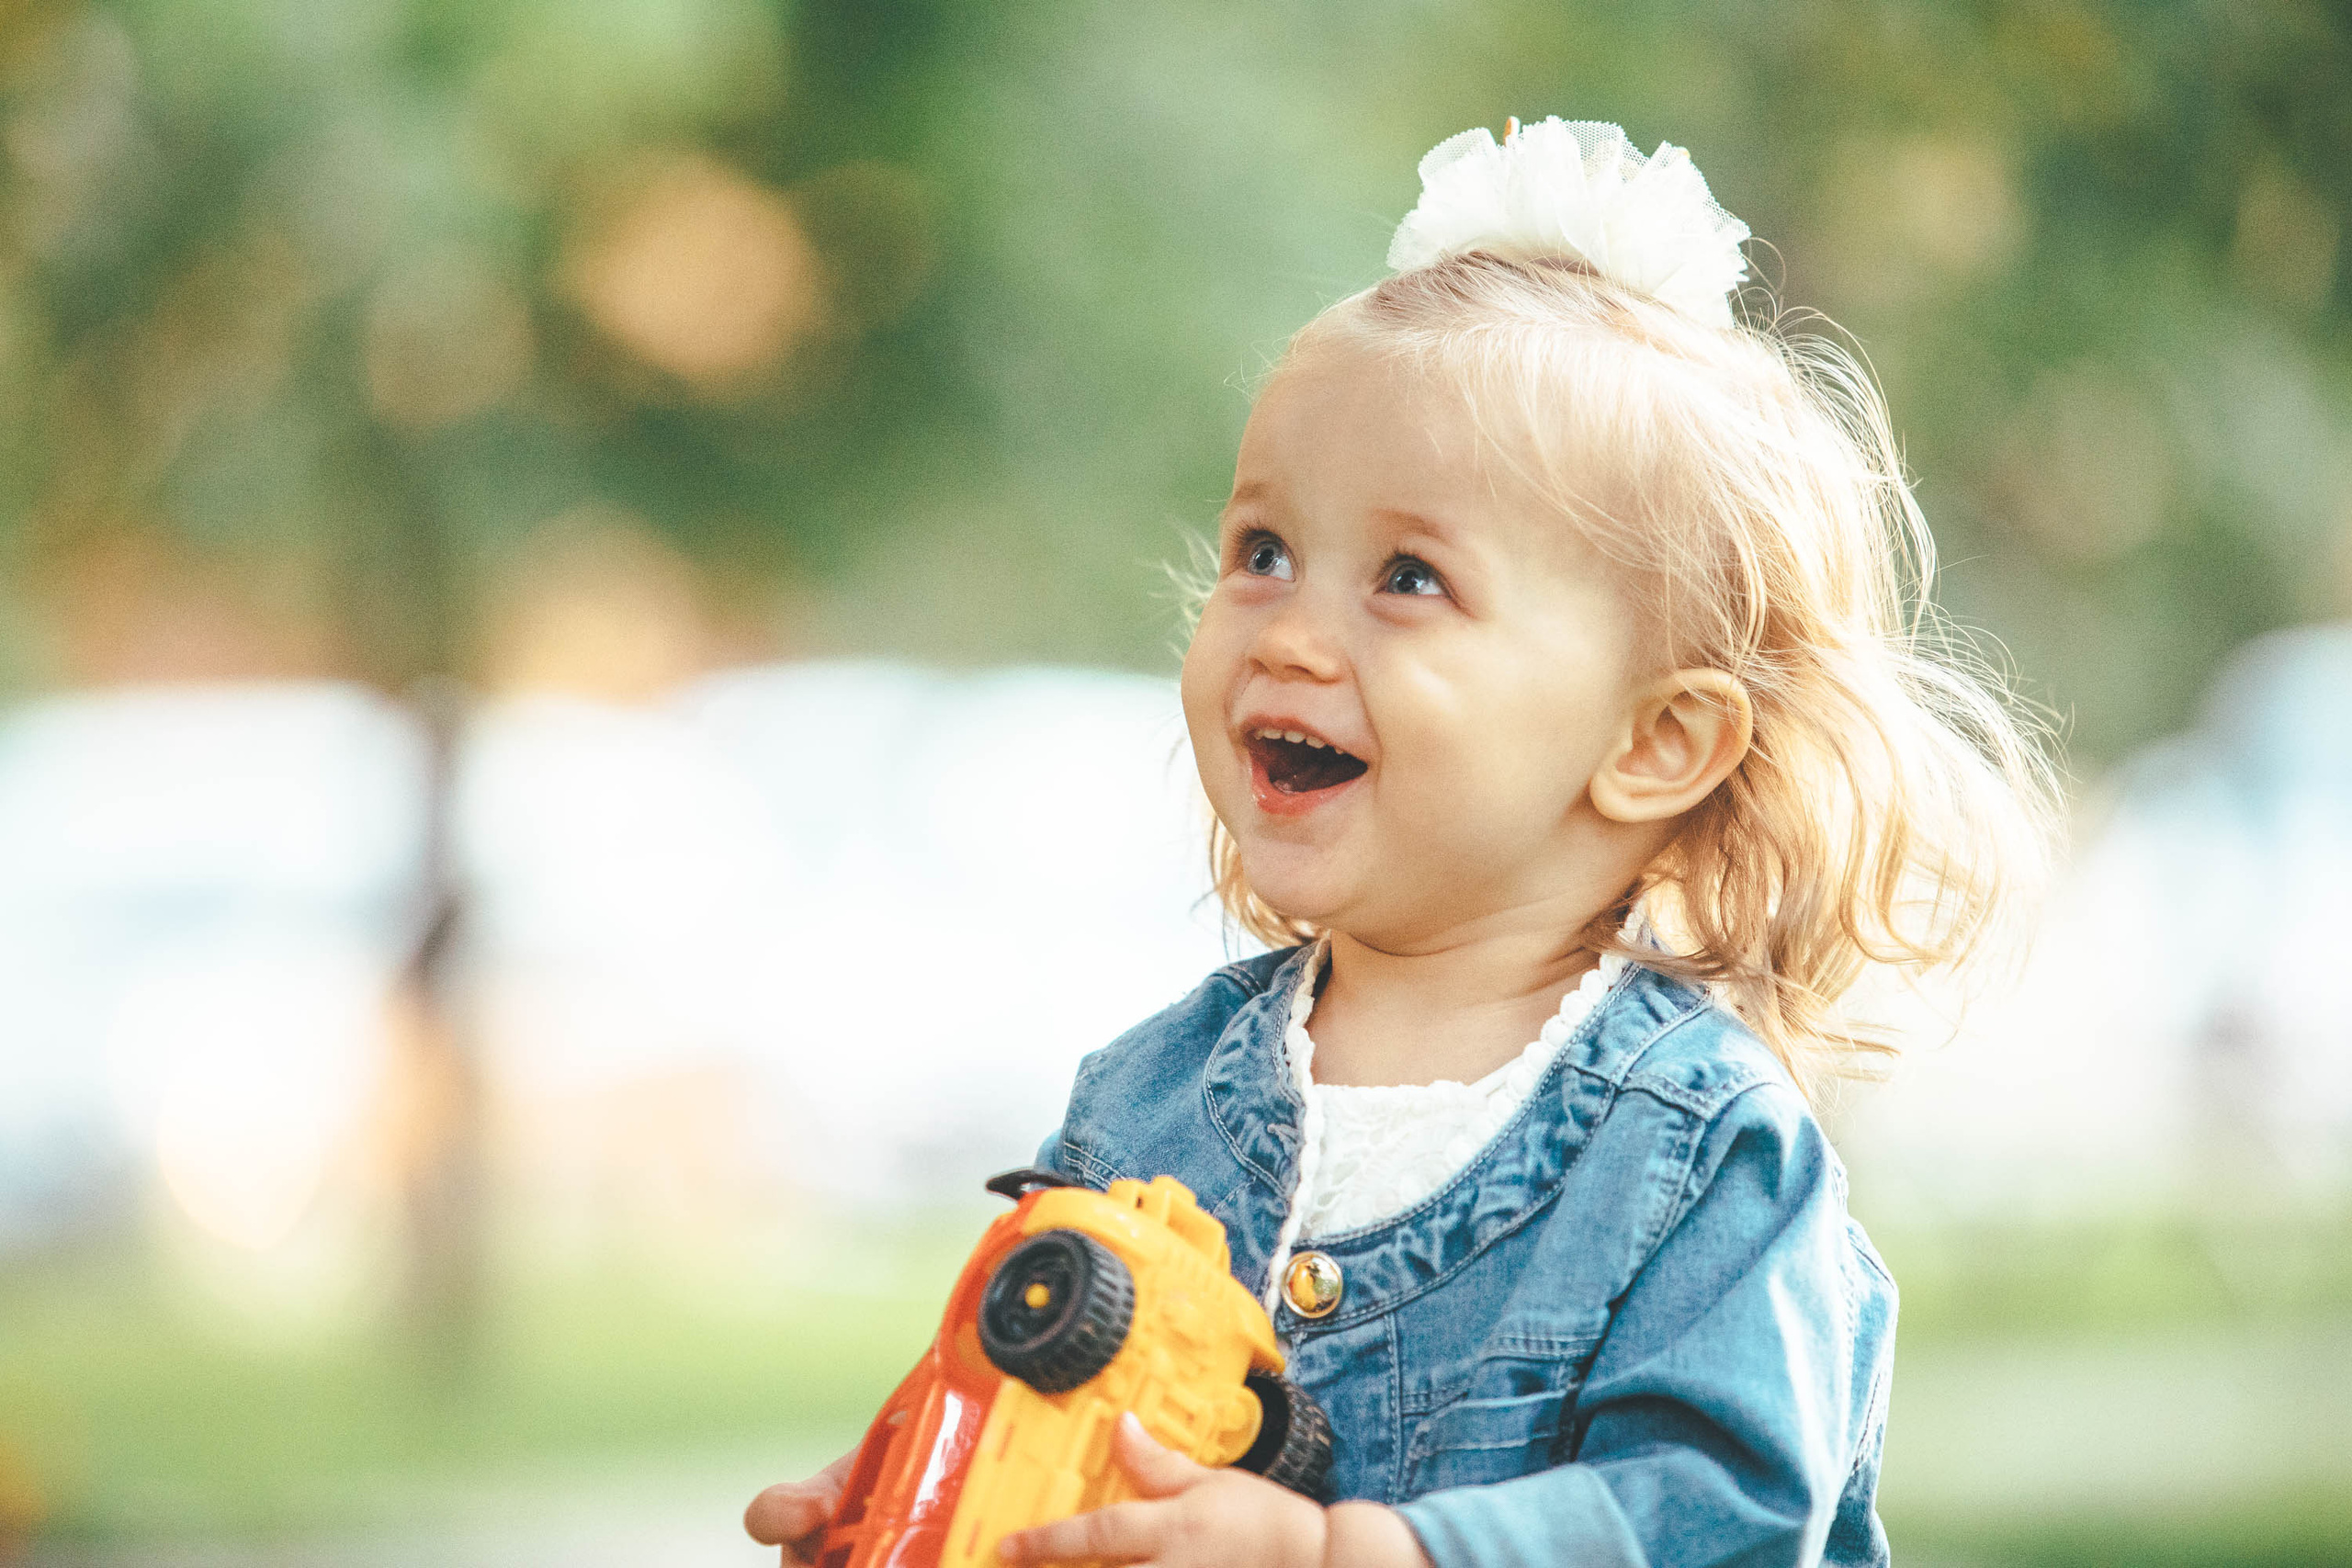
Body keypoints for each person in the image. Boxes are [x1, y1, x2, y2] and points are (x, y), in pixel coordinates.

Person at [746, 117, 2057, 1568]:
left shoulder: (1695, 1151)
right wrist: (915, 1500)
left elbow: (1724, 1521)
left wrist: (1349, 1553)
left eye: (1410, 577)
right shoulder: (1145, 1102)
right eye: (1263, 552)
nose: (1291, 631)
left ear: (1653, 744)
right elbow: (1035, 1393)